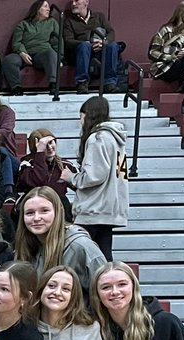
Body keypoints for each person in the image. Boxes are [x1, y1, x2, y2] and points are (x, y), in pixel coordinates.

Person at [61, 96, 129, 261]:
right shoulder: (115, 138)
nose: (80, 121)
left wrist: (71, 177)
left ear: (88, 115)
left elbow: (94, 175)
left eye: (81, 116)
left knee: (79, 253)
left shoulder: (97, 138)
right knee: (104, 256)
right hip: (110, 206)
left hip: (94, 207)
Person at [14, 186, 107, 289]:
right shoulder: (26, 246)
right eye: (30, 213)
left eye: (44, 211)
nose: (36, 218)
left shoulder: (80, 246)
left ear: (57, 212)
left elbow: (106, 288)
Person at [63, 0, 123, 94]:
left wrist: (103, 43)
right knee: (84, 46)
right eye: (72, 2)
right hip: (80, 52)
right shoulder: (68, 21)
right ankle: (82, 83)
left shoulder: (99, 16)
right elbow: (68, 41)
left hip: (99, 50)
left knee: (113, 46)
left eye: (77, 1)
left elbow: (111, 32)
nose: (73, 4)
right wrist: (88, 43)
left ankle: (109, 83)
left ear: (86, 2)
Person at [3, 1, 61, 96]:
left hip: (42, 54)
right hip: (24, 55)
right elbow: (16, 42)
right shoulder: (23, 24)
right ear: (38, 9)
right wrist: (22, 52)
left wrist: (60, 57)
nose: (48, 9)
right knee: (9, 60)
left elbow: (57, 41)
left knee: (51, 54)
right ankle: (16, 88)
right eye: (45, 6)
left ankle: (53, 85)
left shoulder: (52, 23)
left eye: (49, 7)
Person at [16, 129, 73, 217]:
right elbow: (39, 182)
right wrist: (40, 154)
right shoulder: (27, 164)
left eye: (51, 142)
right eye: (44, 145)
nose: (49, 147)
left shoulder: (65, 165)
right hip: (34, 209)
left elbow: (82, 185)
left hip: (59, 210)